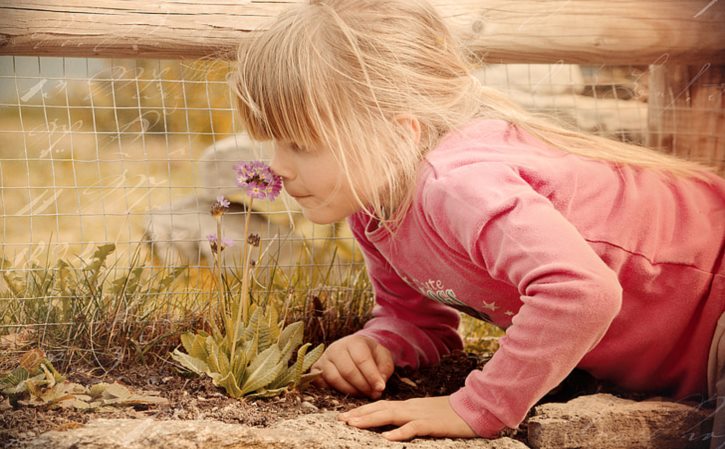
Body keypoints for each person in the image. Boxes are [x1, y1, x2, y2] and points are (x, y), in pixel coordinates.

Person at [230, 0, 725, 444]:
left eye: (300, 144)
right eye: (272, 142)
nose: (277, 166)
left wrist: (477, 407)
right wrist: (377, 343)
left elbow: (580, 291)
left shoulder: (458, 185)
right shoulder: (374, 211)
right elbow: (421, 320)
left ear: (401, 133)